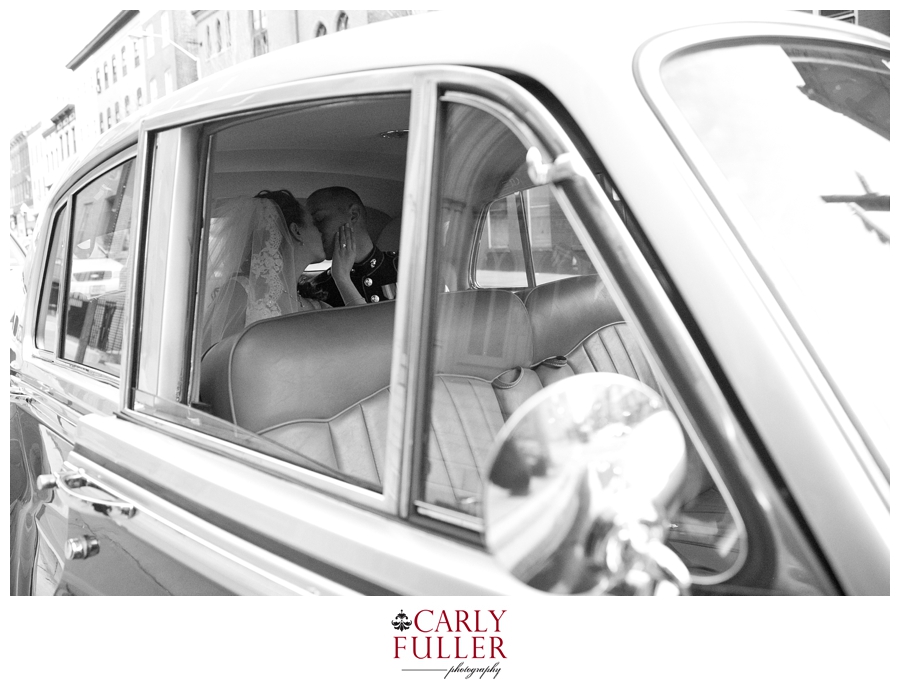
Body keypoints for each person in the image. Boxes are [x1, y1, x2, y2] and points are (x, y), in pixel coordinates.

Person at [200, 190, 362, 352]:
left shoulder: (317, 306)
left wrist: (342, 278)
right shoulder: (242, 291)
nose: (321, 230)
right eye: (315, 222)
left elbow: (363, 343)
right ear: (297, 231)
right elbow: (209, 362)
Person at [302, 186, 399, 306]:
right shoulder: (318, 289)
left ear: (353, 215)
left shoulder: (405, 268)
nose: (313, 230)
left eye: (319, 219)